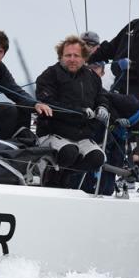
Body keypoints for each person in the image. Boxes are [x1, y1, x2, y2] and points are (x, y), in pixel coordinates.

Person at [35, 35, 110, 187]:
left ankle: (64, 175)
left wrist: (103, 107)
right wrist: (79, 111)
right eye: (68, 55)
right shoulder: (49, 75)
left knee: (97, 158)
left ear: (84, 58)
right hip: (53, 133)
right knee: (70, 152)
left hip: (82, 135)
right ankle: (52, 176)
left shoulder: (92, 77)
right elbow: (48, 102)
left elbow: (101, 96)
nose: (72, 59)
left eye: (76, 55)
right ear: (60, 57)